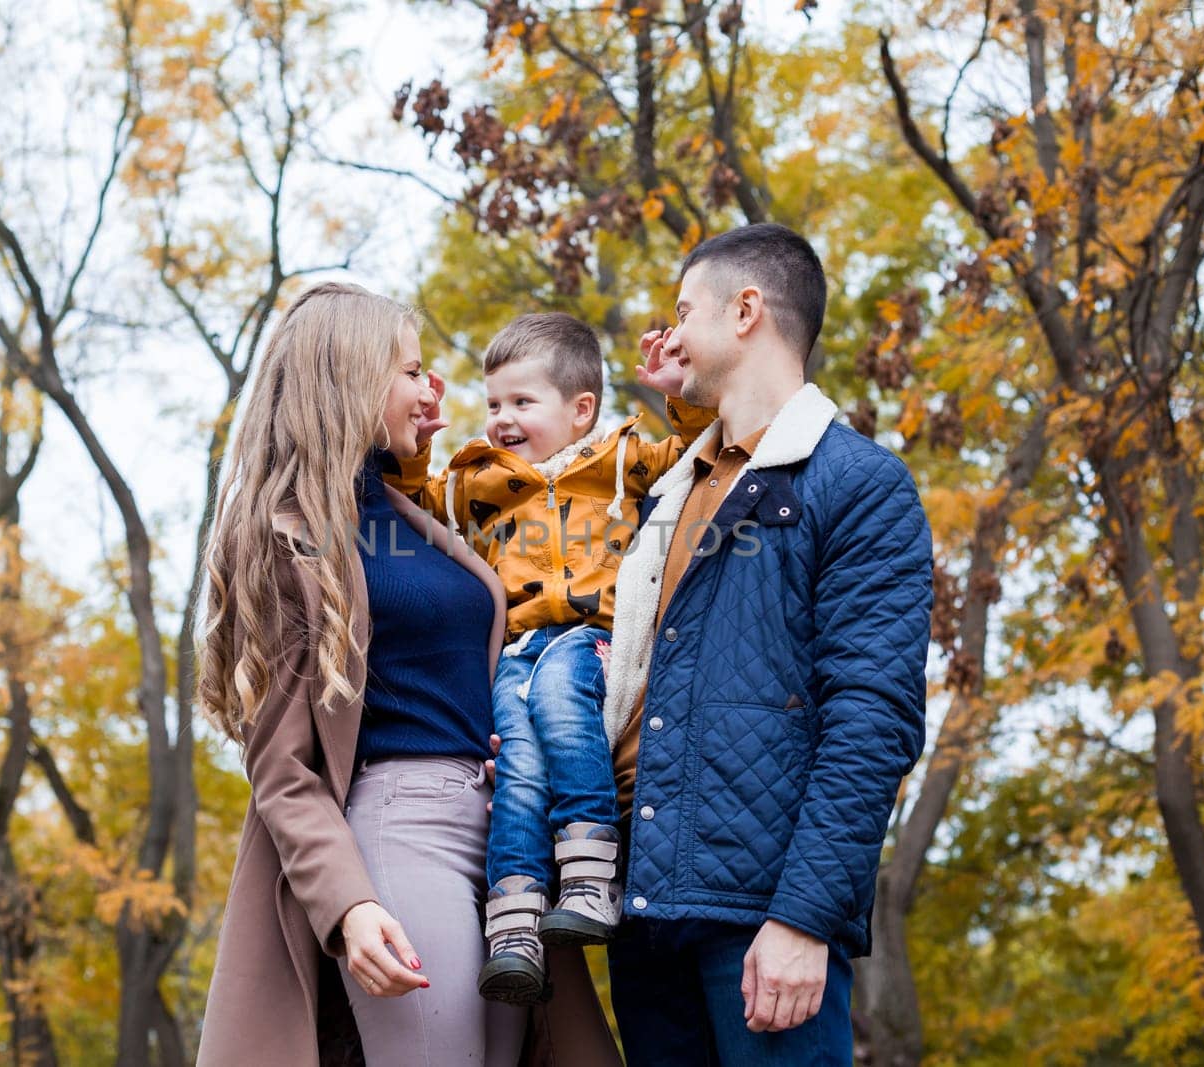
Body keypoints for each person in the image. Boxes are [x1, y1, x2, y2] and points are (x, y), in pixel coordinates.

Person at [195, 282, 619, 1067]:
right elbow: (281, 768)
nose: (432, 390)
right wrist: (349, 905)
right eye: (412, 371)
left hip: (502, 834)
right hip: (401, 825)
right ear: (354, 378)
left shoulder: (410, 512)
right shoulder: (293, 535)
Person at [599, 223, 933, 1065]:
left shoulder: (858, 485)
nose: (670, 333)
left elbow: (873, 719)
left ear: (746, 310)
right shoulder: (674, 491)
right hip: (647, 905)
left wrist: (803, 917)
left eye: (684, 310)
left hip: (762, 916)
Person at [386, 312, 711, 1004]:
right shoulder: (481, 479)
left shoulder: (620, 460)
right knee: (520, 769)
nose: (501, 418)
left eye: (522, 403)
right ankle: (514, 921)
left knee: (562, 689)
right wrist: (415, 446)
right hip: (519, 652)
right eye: (494, 402)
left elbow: (690, 452)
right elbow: (414, 503)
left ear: (580, 408)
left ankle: (593, 870)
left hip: (595, 641)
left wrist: (675, 390)